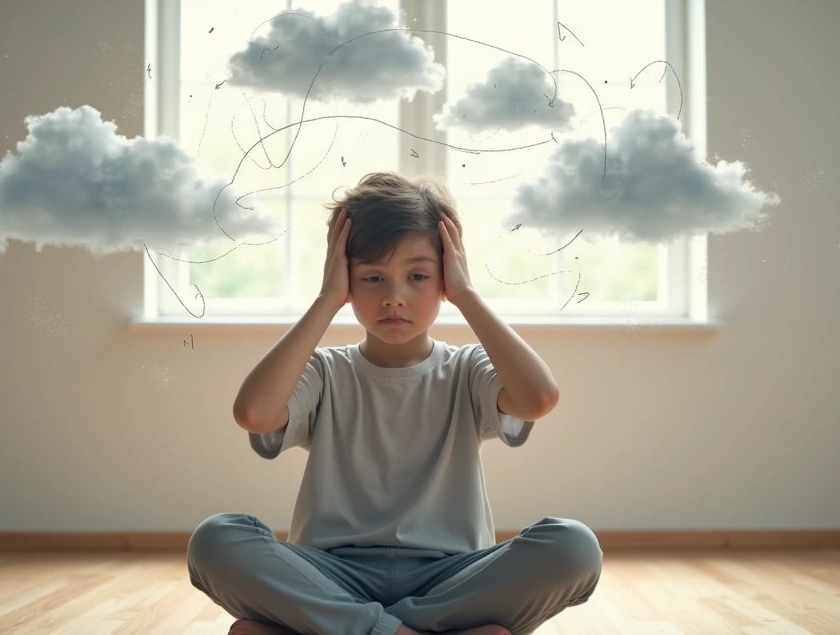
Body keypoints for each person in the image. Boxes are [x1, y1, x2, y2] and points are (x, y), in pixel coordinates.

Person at [188, 172, 602, 635]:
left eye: (419, 275)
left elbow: (538, 398)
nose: (394, 297)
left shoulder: (467, 368)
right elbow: (253, 413)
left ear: (446, 276)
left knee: (574, 546)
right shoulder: (325, 371)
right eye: (372, 276)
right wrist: (327, 300)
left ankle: (341, 630)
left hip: (449, 578)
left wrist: (466, 295)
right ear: (345, 277)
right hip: (330, 575)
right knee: (215, 539)